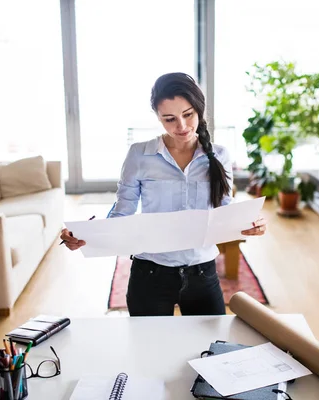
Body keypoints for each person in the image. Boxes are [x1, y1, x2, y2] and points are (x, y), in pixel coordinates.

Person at [60, 72, 267, 316]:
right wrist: (88, 235)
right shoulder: (139, 154)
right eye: (169, 119)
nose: (181, 126)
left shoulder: (220, 155)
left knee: (212, 349)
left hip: (202, 273)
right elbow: (122, 212)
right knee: (148, 350)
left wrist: (250, 224)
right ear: (158, 118)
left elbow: (224, 210)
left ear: (199, 109)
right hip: (149, 275)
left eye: (188, 115)